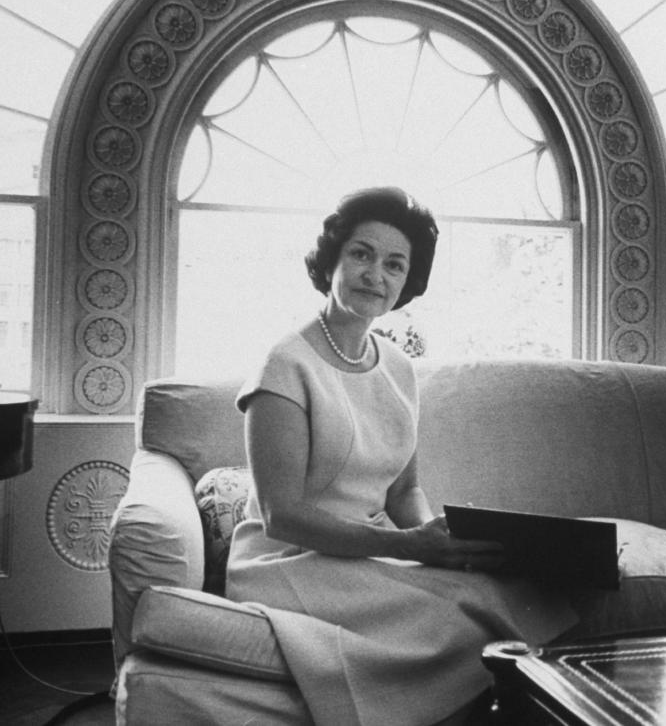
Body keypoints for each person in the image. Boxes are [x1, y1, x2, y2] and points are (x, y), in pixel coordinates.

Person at [226, 186, 576, 726]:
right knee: (458, 615)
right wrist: (406, 545)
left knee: (494, 589)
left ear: (407, 282)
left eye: (394, 265)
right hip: (287, 562)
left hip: (365, 553)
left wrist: (441, 543)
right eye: (361, 255)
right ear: (332, 261)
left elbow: (403, 491)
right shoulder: (284, 363)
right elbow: (282, 515)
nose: (376, 275)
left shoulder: (398, 365)